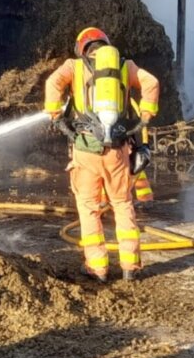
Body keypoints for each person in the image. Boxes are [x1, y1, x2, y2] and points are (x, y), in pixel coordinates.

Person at [43, 27, 159, 283]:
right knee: (123, 204)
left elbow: (52, 83)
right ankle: (130, 266)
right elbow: (151, 83)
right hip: (118, 150)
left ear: (82, 48)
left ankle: (97, 268)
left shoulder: (74, 66)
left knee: (88, 208)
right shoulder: (125, 66)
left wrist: (56, 116)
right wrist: (145, 116)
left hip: (85, 149)